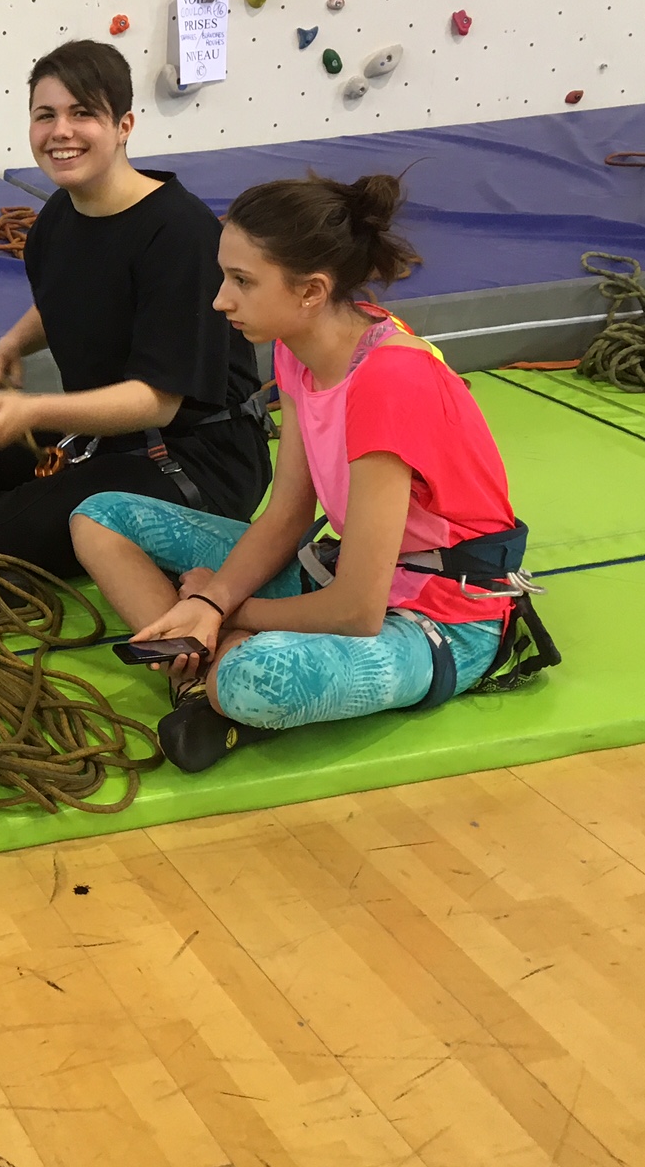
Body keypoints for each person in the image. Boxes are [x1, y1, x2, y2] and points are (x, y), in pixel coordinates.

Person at [70, 172, 544, 773]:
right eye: (225, 276)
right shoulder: (297, 349)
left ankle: (216, 674)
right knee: (99, 517)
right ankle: (199, 680)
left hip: (439, 620)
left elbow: (357, 613)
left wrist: (225, 609)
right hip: (342, 574)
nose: (220, 300)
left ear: (312, 292)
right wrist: (211, 600)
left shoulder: (389, 380)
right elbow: (289, 512)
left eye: (242, 281)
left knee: (254, 679)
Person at [0, 39, 271, 621]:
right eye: (45, 116)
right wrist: (11, 345)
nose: (60, 131)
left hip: (193, 458)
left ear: (124, 126)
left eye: (82, 113)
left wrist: (34, 411)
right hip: (102, 437)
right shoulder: (60, 218)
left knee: (17, 517)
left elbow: (159, 401)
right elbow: (68, 297)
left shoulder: (179, 234)